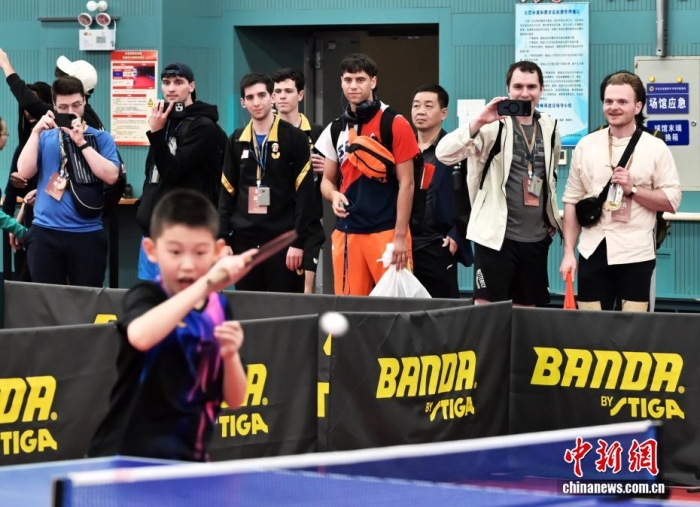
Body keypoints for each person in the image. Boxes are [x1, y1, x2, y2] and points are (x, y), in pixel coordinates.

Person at [88, 189, 253, 461]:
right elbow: (140, 336)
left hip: (188, 462)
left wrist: (231, 355)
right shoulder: (146, 295)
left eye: (200, 252)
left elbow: (235, 400)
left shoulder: (219, 309)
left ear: (217, 252)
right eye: (175, 251)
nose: (187, 265)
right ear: (151, 251)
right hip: (127, 462)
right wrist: (207, 283)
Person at [436, 60, 562, 306]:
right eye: (518, 86)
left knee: (526, 313)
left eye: (531, 86)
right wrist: (480, 120)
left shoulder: (549, 126)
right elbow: (444, 154)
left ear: (542, 89)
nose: (525, 93)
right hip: (496, 238)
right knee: (488, 312)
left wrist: (549, 216)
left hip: (535, 239)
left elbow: (551, 174)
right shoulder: (493, 126)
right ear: (508, 89)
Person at [559, 72, 682, 312]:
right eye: (609, 101)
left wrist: (633, 190)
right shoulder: (586, 145)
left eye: (622, 102)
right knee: (591, 326)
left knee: (634, 328)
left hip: (636, 253)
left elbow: (672, 201)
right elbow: (571, 200)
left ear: (638, 106)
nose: (614, 107)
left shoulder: (655, 147)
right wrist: (568, 253)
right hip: (592, 249)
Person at [316, 53, 419, 296]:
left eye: (360, 79)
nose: (353, 86)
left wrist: (400, 236)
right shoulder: (335, 129)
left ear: (373, 82)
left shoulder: (395, 123)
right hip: (347, 233)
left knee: (394, 309)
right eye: (348, 80)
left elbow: (407, 183)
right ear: (341, 82)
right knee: (349, 310)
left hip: (386, 232)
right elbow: (327, 180)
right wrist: (334, 195)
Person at [16, 76, 121, 287]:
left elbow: (111, 175)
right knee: (46, 300)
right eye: (63, 107)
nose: (71, 111)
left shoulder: (101, 138)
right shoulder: (45, 137)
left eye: (76, 105)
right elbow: (24, 172)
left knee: (87, 300)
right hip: (45, 232)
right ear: (54, 107)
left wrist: (81, 142)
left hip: (87, 233)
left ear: (85, 102)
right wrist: (36, 132)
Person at [218, 72, 314, 293]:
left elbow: (305, 196)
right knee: (249, 306)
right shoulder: (236, 140)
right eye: (250, 97)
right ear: (243, 102)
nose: (256, 102)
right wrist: (223, 239)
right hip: (244, 243)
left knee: (284, 308)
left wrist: (298, 242)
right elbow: (226, 193)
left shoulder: (295, 138)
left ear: (272, 97)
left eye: (262, 95)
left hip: (283, 242)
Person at [137, 62, 225, 281]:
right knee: (151, 296)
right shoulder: (164, 121)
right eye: (166, 83)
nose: (171, 88)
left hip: (185, 231)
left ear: (191, 86)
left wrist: (156, 134)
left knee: (183, 295)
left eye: (178, 83)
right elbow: (151, 172)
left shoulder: (202, 126)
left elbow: (173, 172)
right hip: (153, 229)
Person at [410, 85, 472, 298]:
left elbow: (471, 196)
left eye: (428, 106)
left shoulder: (456, 150)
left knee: (442, 309)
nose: (420, 111)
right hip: (406, 242)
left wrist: (457, 234)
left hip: (439, 242)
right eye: (416, 106)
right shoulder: (403, 149)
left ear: (443, 113)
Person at [272, 68, 325, 294]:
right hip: (277, 221)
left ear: (300, 95)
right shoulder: (264, 133)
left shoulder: (318, 133)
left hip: (309, 222)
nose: (282, 96)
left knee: (305, 292)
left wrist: (327, 169)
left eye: (288, 91)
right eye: (277, 92)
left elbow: (335, 178)